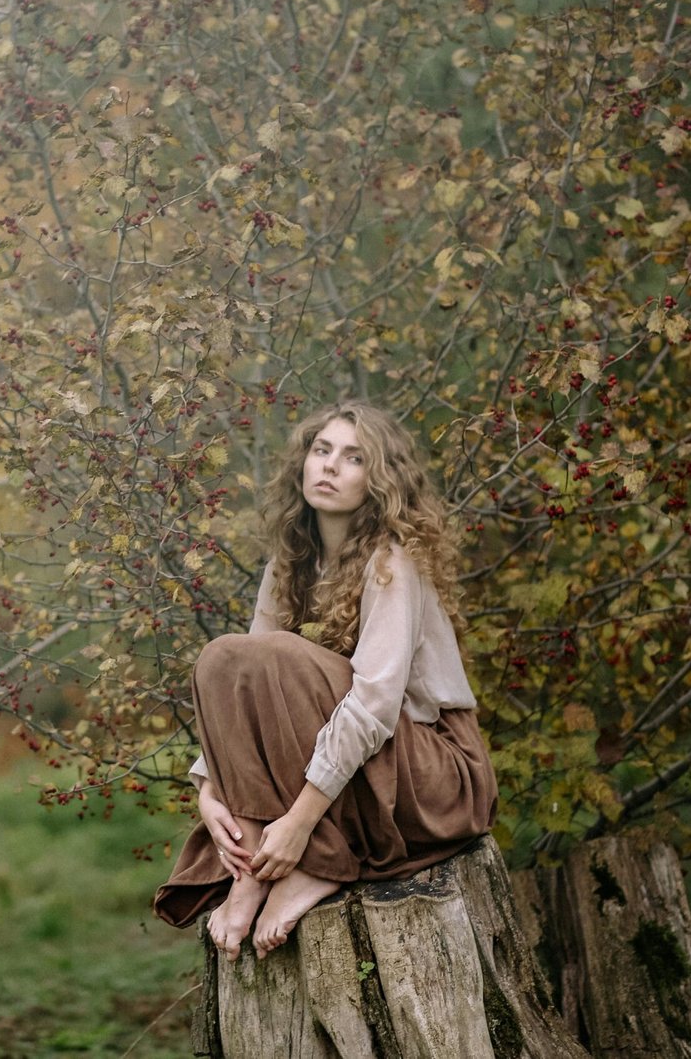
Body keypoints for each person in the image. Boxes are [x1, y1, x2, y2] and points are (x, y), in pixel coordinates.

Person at [153, 401, 498, 961]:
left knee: (284, 655)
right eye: (322, 451)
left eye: (354, 457)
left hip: (432, 770)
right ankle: (251, 871)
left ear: (379, 480)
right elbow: (241, 685)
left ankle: (317, 860)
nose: (330, 467)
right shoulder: (289, 563)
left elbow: (374, 707)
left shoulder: (393, 562)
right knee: (223, 658)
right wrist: (210, 787)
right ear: (304, 463)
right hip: (366, 773)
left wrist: (296, 826)